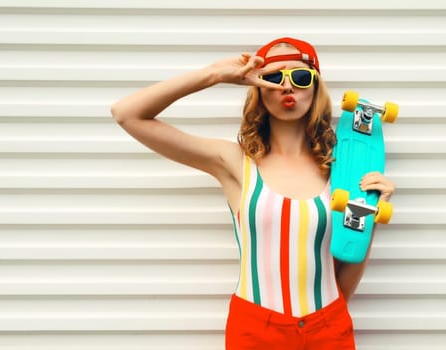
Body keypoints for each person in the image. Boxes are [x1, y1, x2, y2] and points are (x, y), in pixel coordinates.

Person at [110, 37, 395, 350]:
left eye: (301, 77)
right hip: (256, 332)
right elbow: (127, 113)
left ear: (315, 88)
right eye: (273, 78)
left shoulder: (343, 171)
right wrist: (215, 75)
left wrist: (371, 217)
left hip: (329, 327)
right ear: (258, 89)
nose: (288, 87)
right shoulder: (235, 163)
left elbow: (345, 270)